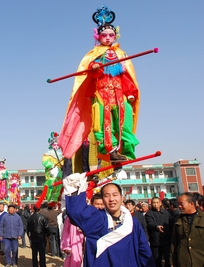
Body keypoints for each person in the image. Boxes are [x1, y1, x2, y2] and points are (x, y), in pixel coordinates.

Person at [58, 5, 140, 162]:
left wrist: (130, 92)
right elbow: (89, 73)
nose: (108, 38)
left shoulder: (121, 54)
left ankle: (125, 151)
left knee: (125, 122)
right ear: (98, 37)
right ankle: (111, 152)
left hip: (119, 94)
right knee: (101, 125)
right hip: (101, 95)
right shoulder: (94, 54)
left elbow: (127, 76)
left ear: (115, 36)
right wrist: (94, 67)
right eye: (104, 35)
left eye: (111, 35)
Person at [63, 172, 155, 266]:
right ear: (102, 199)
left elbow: (143, 250)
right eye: (106, 196)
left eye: (115, 195)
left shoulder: (132, 222)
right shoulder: (97, 219)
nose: (111, 199)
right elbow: (76, 212)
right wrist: (74, 186)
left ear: (121, 197)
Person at [170, 192, 204, 266]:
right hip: (183, 262)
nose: (179, 206)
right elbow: (174, 243)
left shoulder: (202, 218)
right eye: (178, 204)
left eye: (181, 204)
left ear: (191, 204)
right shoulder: (178, 219)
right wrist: (172, 262)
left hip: (200, 261)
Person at [145, 197, 172, 267]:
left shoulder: (166, 213)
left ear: (160, 203)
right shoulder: (149, 214)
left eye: (157, 203)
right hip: (155, 242)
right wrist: (156, 227)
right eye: (153, 203)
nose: (155, 204)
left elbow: (171, 224)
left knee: (168, 260)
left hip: (167, 240)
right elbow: (150, 224)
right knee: (157, 261)